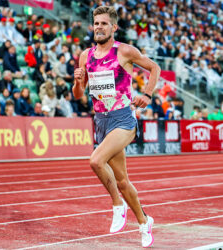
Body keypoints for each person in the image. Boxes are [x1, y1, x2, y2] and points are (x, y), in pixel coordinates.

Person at [73, 6, 160, 248]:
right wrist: (79, 81)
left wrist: (148, 94)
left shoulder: (124, 51)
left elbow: (155, 67)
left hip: (123, 118)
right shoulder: (85, 56)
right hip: (101, 121)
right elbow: (79, 93)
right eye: (96, 23)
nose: (98, 27)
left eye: (103, 23)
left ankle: (117, 206)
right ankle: (144, 222)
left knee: (95, 161)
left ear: (114, 27)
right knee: (122, 181)